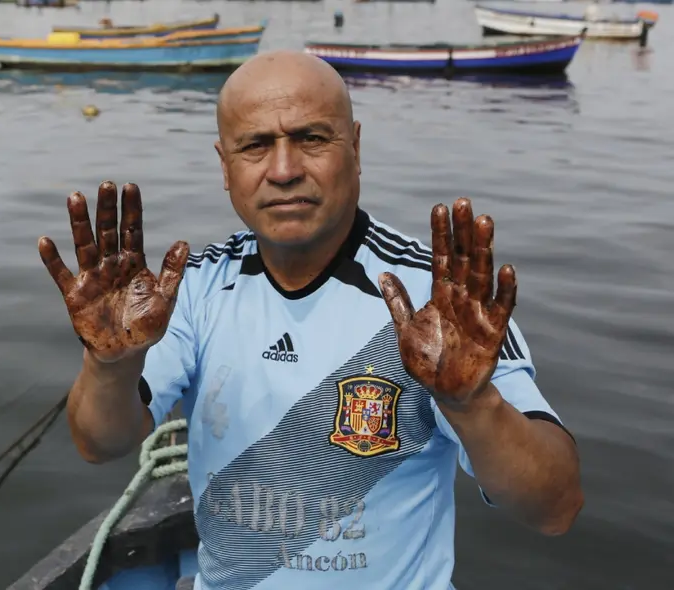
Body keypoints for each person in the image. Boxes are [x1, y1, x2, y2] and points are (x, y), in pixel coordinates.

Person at [37, 50, 583, 589]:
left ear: (356, 149)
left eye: (311, 138)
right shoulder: (193, 288)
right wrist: (110, 364)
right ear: (225, 167)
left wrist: (473, 404)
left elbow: (555, 508)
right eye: (255, 146)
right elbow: (99, 443)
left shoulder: (439, 300)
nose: (284, 170)